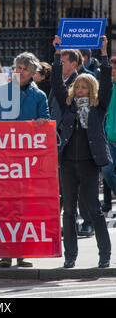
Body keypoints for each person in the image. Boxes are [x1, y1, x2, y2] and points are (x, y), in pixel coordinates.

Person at [0, 52, 50, 268]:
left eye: (24, 68)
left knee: (24, 207)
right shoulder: (1, 92)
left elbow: (47, 124)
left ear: (33, 73)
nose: (20, 71)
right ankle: (5, 253)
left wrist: (42, 123)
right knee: (4, 207)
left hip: (28, 163)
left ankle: (22, 253)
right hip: (4, 162)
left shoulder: (39, 96)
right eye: (17, 67)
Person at [52, 35, 112, 269]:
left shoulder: (99, 107)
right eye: (77, 86)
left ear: (91, 89)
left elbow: (106, 82)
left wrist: (105, 53)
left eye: (84, 87)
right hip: (67, 163)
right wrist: (57, 54)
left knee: (94, 210)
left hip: (89, 164)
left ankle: (104, 255)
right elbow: (57, 83)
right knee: (67, 211)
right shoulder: (68, 105)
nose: (80, 90)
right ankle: (70, 257)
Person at [101, 56, 116, 196]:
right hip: (110, 137)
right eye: (111, 69)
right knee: (106, 170)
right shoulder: (108, 88)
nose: (113, 72)